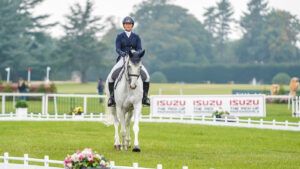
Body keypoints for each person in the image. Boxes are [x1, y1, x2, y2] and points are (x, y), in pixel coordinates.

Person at [107, 16, 150, 107]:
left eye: (129, 24)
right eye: (126, 24)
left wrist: (136, 54)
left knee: (147, 77)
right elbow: (117, 49)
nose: (128, 25)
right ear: (124, 25)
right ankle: (112, 98)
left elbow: (139, 48)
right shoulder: (120, 36)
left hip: (134, 60)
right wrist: (124, 54)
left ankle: (145, 97)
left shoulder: (136, 37)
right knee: (111, 77)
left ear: (132, 26)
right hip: (122, 59)